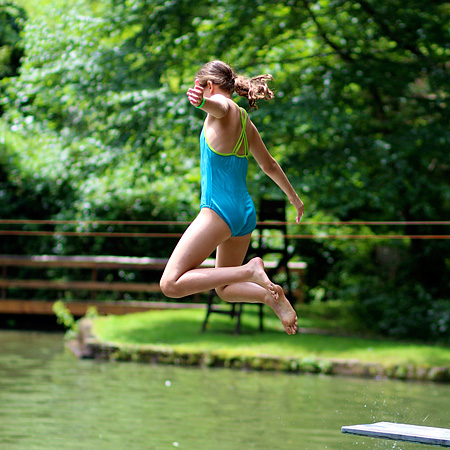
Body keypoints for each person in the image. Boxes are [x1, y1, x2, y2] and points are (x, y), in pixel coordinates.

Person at [160, 60, 304, 335]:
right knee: (224, 289)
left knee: (171, 284)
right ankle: (269, 296)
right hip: (244, 214)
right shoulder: (245, 121)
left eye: (198, 87)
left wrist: (203, 103)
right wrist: (294, 198)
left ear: (210, 86)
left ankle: (251, 271)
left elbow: (220, 106)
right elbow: (269, 164)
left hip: (218, 211)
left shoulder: (223, 109)